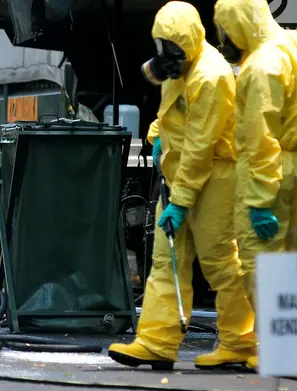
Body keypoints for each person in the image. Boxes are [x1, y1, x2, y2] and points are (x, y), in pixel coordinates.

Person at [108, 1, 257, 370]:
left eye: (169, 50)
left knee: (221, 264)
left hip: (214, 177)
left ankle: (242, 343)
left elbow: (201, 147)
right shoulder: (181, 67)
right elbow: (172, 114)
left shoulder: (212, 76)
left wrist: (180, 201)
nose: (164, 59)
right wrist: (158, 134)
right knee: (165, 262)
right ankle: (156, 342)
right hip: (179, 177)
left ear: (185, 41)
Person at [214, 0, 297, 371]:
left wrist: (259, 199)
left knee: (261, 262)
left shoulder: (259, 67)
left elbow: (260, 137)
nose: (224, 38)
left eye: (225, 29)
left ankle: (277, 344)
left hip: (272, 170)